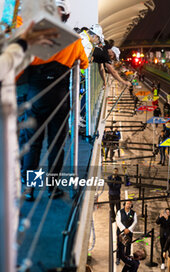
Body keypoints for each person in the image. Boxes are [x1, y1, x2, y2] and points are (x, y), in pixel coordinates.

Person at [0, 23, 58, 272]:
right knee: (38, 150)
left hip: (26, 132)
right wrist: (22, 43)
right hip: (23, 138)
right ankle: (37, 187)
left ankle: (36, 187)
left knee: (38, 150)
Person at [18, 2, 89, 201]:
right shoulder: (72, 39)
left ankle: (29, 188)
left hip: (35, 96)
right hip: (60, 98)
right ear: (65, 16)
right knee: (57, 144)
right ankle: (53, 188)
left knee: (33, 144)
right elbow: (84, 63)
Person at [116, 200, 137, 265]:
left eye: (130, 204)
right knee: (120, 245)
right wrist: (124, 229)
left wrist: (129, 229)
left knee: (128, 245)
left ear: (131, 206)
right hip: (121, 232)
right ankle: (118, 258)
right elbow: (118, 221)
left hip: (129, 232)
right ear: (124, 204)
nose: (128, 205)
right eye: (127, 204)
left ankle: (127, 257)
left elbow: (135, 222)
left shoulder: (134, 213)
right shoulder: (119, 212)